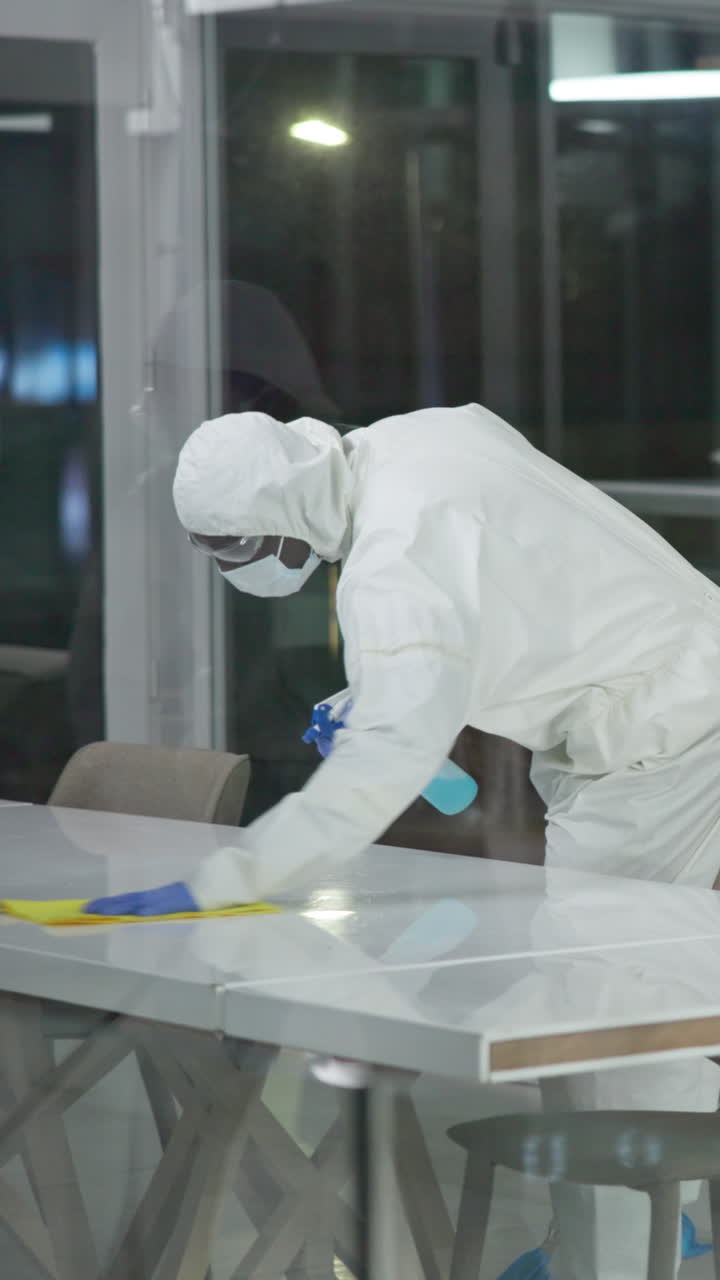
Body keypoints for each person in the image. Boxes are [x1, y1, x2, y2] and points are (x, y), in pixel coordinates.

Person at [87, 402, 720, 1278]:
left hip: (665, 741)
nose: (239, 572)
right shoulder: (420, 437)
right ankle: (649, 1227)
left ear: (276, 530)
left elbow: (379, 766)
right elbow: (509, 582)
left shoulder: (390, 572)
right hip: (679, 677)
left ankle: (612, 1258)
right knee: (633, 992)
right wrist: (382, 701)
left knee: (603, 1008)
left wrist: (226, 878)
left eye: (233, 552)